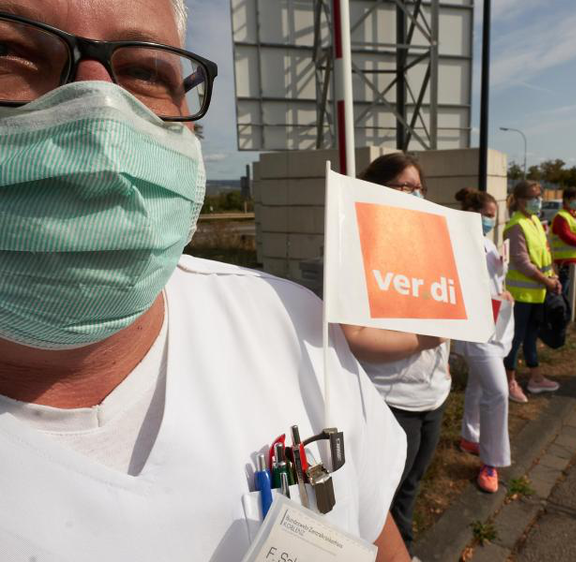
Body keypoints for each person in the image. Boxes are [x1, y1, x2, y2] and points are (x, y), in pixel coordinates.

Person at [0, 3, 411, 561]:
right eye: (8, 53)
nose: (99, 114)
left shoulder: (286, 321)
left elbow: (377, 541)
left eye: (144, 73)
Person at [340, 152, 448, 556]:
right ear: (376, 188)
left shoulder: (431, 246)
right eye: (405, 187)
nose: (415, 196)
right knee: (376, 502)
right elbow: (355, 336)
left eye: (420, 188)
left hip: (432, 392)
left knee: (411, 487)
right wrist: (423, 341)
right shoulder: (357, 249)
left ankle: (407, 548)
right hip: (388, 398)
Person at [452, 188, 513, 494]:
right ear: (473, 213)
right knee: (498, 392)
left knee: (479, 384)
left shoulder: (488, 243)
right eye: (487, 215)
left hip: (495, 324)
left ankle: (470, 436)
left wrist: (503, 285)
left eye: (493, 215)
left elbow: (494, 279)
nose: (491, 220)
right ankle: (491, 461)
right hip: (475, 327)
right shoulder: (460, 242)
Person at [502, 181, 562, 403]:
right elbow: (521, 262)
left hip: (539, 293)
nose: (539, 201)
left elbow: (546, 253)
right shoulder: (516, 225)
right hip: (521, 296)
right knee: (515, 340)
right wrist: (547, 281)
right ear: (520, 200)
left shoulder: (535, 220)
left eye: (540, 196)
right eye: (534, 197)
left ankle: (535, 378)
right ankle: (509, 381)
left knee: (531, 337)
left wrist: (553, 277)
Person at [549, 188, 576, 298]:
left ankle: (568, 312)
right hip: (565, 261)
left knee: (570, 291)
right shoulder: (561, 216)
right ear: (566, 199)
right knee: (564, 291)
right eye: (575, 199)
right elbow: (565, 236)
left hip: (575, 258)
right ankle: (563, 313)